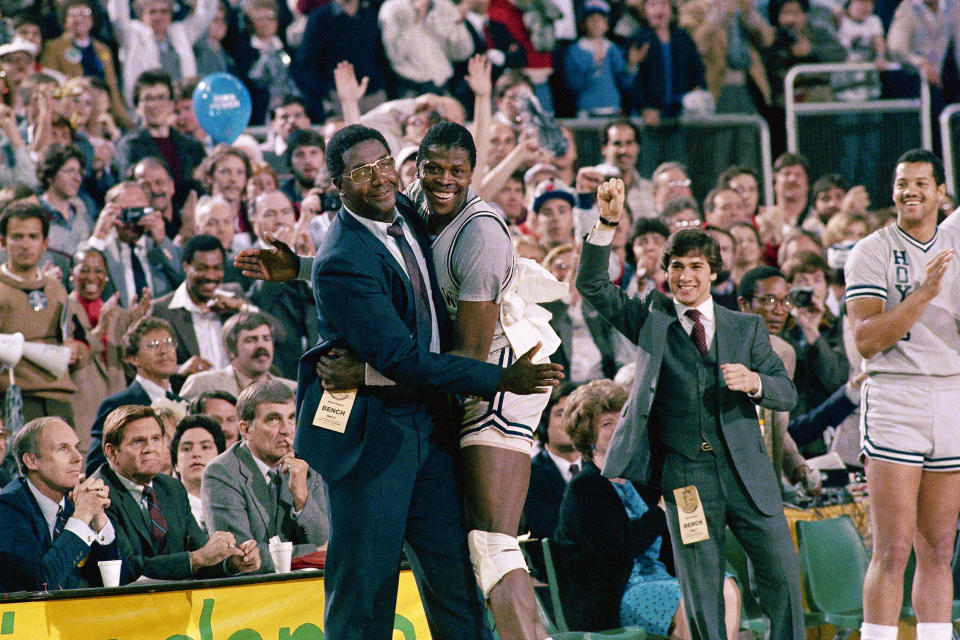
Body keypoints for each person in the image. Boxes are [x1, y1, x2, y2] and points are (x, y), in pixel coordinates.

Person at [291, 124, 562, 640]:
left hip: (431, 429)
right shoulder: (341, 260)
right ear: (337, 184)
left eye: (384, 163)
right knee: (365, 596)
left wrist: (293, 270)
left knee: (457, 586)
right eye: (361, 171)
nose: (378, 178)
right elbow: (405, 360)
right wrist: (503, 378)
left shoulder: (410, 211)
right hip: (373, 441)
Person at [575, 178, 803, 639]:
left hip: (749, 476)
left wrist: (756, 382)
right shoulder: (650, 319)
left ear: (714, 272)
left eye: (696, 266)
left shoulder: (747, 328)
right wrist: (606, 222)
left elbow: (786, 393)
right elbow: (593, 285)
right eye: (676, 266)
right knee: (701, 592)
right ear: (666, 272)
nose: (685, 276)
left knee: (782, 580)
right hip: (687, 479)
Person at [845, 149, 960, 640]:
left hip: (951, 393)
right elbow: (866, 338)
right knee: (892, 548)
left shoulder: (955, 246)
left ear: (940, 193)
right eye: (901, 182)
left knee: (937, 546)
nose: (910, 190)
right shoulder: (870, 250)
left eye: (920, 182)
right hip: (895, 396)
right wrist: (922, 295)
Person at [553, 379, 741, 638]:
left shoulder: (642, 479)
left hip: (663, 578)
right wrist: (660, 513)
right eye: (607, 424)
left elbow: (681, 536)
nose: (619, 428)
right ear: (589, 438)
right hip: (617, 592)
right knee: (687, 603)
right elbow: (618, 550)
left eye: (622, 419)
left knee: (725, 586)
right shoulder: (585, 488)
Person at [92, 404, 260, 581]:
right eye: (138, 442)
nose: (150, 448)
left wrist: (232, 562)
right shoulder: (98, 495)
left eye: (156, 439)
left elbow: (203, 555)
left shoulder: (172, 488)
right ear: (111, 452)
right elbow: (126, 567)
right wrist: (196, 559)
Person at [203, 380, 329, 572]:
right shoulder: (221, 473)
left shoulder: (307, 468)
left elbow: (322, 540)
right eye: (273, 419)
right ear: (245, 430)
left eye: (291, 418)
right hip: (249, 592)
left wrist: (301, 497)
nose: (286, 429)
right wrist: (311, 552)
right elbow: (243, 557)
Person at [0, 417, 119, 592]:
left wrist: (98, 520)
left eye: (77, 448)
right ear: (32, 461)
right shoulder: (7, 509)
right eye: (63, 449)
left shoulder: (73, 506)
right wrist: (82, 516)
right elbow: (39, 582)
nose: (78, 458)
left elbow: (115, 582)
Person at [0, 203, 82, 424]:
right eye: (18, 237)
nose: (25, 245)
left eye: (33, 237)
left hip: (58, 400)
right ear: (3, 242)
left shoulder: (56, 289)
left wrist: (74, 352)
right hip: (12, 399)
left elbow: (71, 339)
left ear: (45, 243)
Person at [85, 316, 185, 476]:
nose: (164, 351)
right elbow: (96, 467)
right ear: (132, 358)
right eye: (153, 346)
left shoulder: (185, 403)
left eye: (168, 343)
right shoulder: (117, 405)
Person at [151, 233, 249, 373]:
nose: (210, 276)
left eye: (217, 268)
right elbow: (148, 362)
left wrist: (242, 307)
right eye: (202, 268)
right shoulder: (162, 310)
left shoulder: (234, 295)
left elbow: (279, 334)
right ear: (186, 266)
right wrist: (179, 370)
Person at [80, 181, 183, 308]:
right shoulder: (101, 250)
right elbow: (79, 281)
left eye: (138, 211)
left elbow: (184, 281)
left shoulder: (161, 249)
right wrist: (99, 235)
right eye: (125, 212)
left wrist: (162, 242)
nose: (132, 220)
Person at [523, 381, 579, 579]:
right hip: (563, 574)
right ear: (544, 422)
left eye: (576, 412)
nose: (570, 420)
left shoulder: (603, 468)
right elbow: (547, 537)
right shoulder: (531, 474)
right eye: (561, 413)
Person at [180, 312, 295, 399]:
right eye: (251, 340)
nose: (261, 345)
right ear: (231, 349)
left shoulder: (293, 390)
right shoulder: (202, 385)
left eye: (266, 338)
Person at [169, 413, 225, 529]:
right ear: (176, 464)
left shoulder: (234, 504)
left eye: (205, 447)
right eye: (187, 449)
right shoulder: (166, 509)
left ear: (221, 457)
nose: (196, 454)